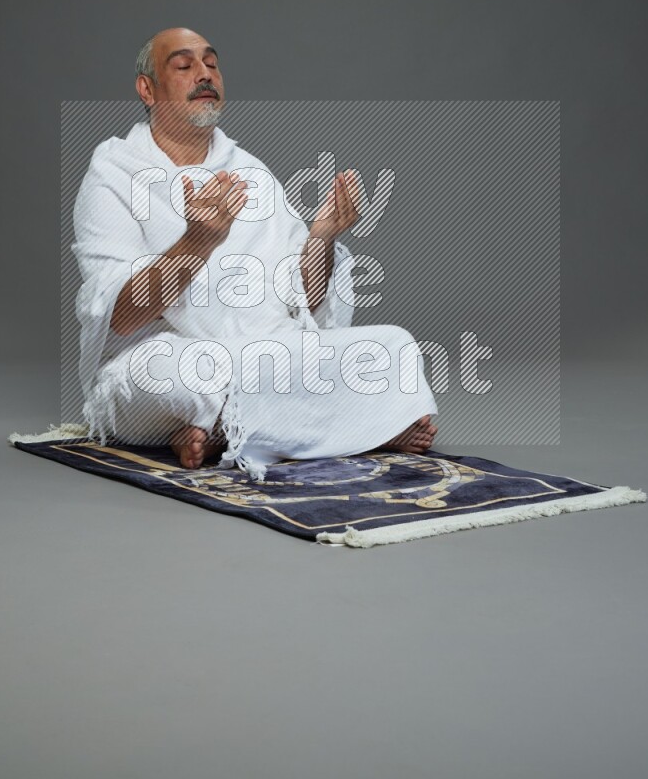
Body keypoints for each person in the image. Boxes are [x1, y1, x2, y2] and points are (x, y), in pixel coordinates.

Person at [71, 27, 438, 482]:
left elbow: (302, 296)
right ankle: (347, 428)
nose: (205, 74)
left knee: (392, 346)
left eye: (212, 63)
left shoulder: (249, 171)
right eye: (184, 66)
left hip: (265, 352)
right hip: (166, 359)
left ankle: (221, 430)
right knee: (182, 375)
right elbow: (121, 316)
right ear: (148, 89)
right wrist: (197, 243)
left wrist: (322, 236)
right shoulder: (114, 171)